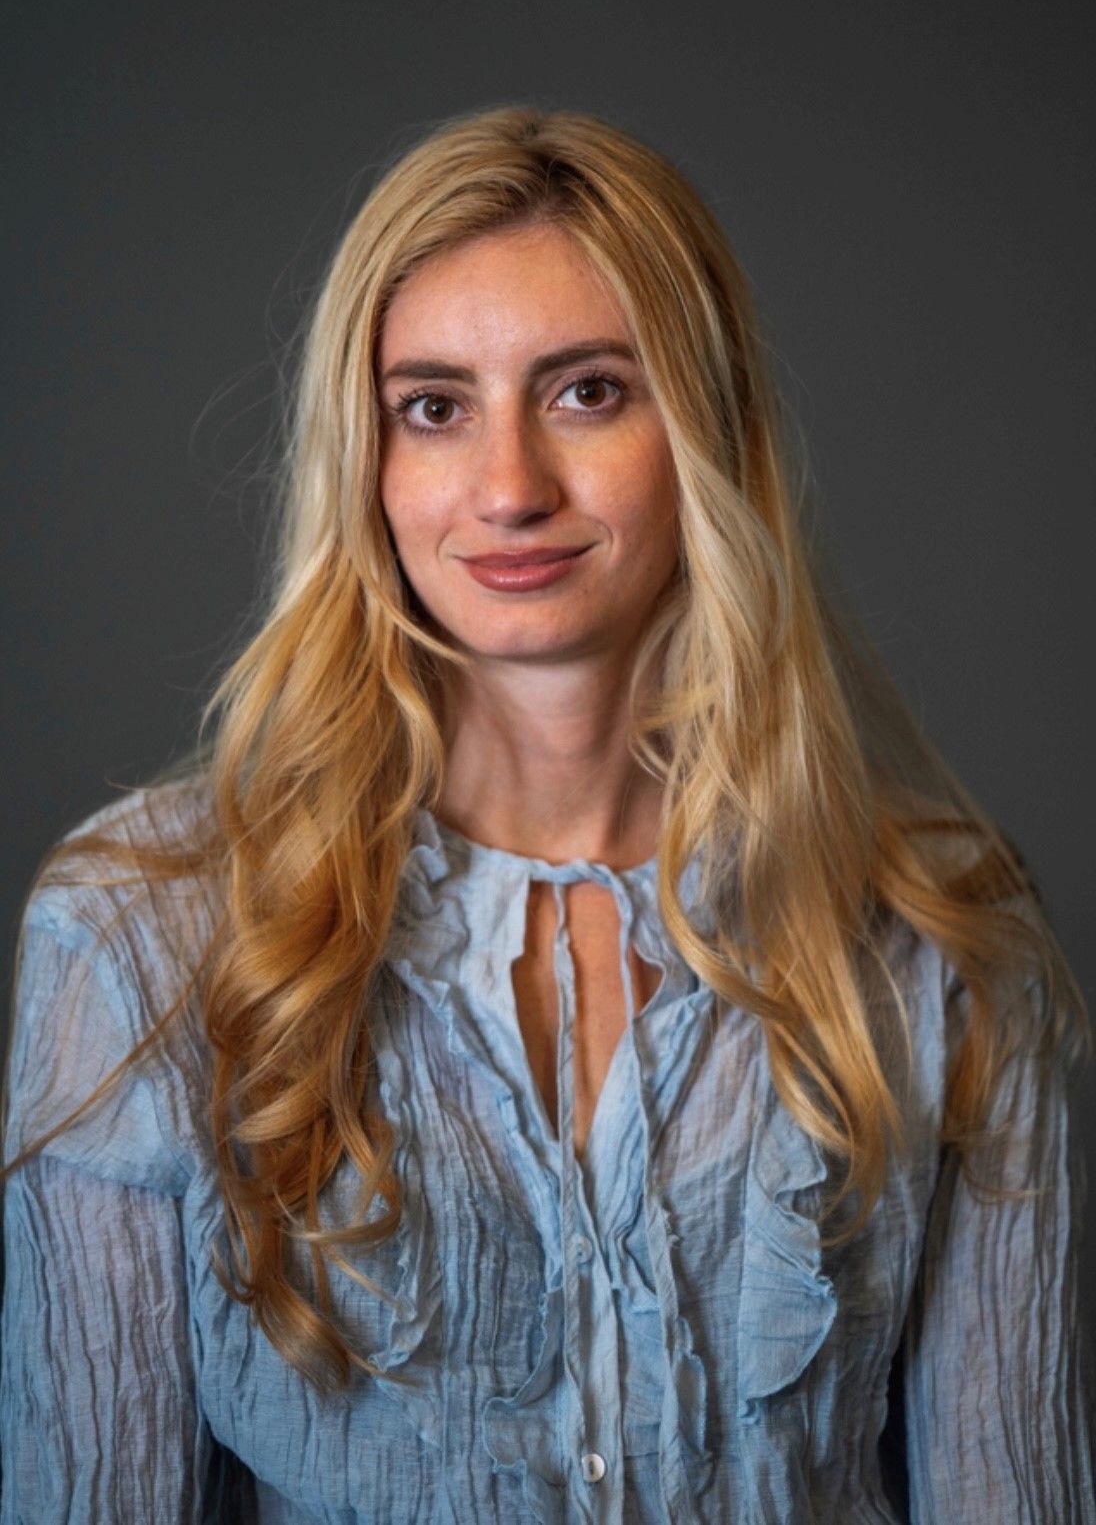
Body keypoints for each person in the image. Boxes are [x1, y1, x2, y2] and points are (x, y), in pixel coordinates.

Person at [1, 104, 1093, 1524]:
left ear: (704, 431)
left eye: (587, 391)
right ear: (370, 463)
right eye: (434, 407)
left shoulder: (940, 932)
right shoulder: (135, 939)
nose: (510, 489)